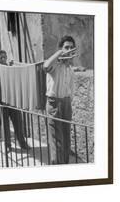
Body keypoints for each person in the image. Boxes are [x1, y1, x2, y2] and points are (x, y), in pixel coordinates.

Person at [43, 35, 77, 164]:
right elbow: (45, 66)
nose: (69, 50)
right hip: (54, 103)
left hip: (66, 104)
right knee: (57, 141)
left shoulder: (70, 68)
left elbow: (70, 88)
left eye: (71, 47)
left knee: (66, 138)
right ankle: (57, 169)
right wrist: (59, 53)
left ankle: (65, 166)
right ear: (61, 49)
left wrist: (68, 102)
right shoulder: (55, 65)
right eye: (66, 47)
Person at [0, 50, 28, 152]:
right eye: (1, 58)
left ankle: (22, 143)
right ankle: (7, 146)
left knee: (18, 123)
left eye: (5, 57)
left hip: (13, 102)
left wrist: (11, 67)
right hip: (2, 102)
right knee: (5, 125)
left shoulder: (11, 68)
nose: (3, 59)